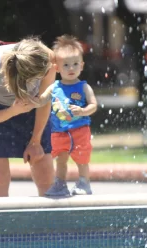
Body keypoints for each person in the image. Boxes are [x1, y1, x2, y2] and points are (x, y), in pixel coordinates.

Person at [0, 37, 56, 197]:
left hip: (34, 108)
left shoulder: (47, 59)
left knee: (45, 174)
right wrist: (13, 111)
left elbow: (45, 101)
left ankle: (49, 221)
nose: (51, 70)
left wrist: (36, 141)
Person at [45, 35, 97, 197]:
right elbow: (42, 99)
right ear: (57, 68)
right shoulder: (54, 87)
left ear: (81, 65)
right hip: (59, 131)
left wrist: (83, 111)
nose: (71, 68)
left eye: (75, 64)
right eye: (66, 65)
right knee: (61, 160)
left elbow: (93, 105)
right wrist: (31, 100)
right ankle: (60, 184)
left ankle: (84, 183)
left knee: (82, 160)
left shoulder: (84, 87)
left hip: (79, 130)